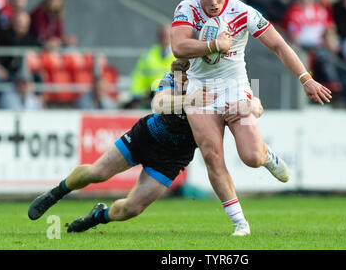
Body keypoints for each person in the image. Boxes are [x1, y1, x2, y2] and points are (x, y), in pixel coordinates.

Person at [170, 0, 331, 236]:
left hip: (234, 87)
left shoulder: (243, 12)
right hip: (200, 89)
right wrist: (213, 46)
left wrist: (306, 79)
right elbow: (178, 47)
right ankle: (239, 223)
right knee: (212, 155)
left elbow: (279, 45)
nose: (213, 3)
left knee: (251, 157)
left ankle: (265, 155)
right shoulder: (186, 8)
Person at [28, 60, 264, 235]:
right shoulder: (171, 79)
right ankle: (55, 193)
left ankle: (97, 216)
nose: (181, 77)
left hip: (172, 159)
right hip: (146, 137)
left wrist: (252, 106)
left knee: (131, 209)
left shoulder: (219, 86)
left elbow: (256, 106)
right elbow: (159, 104)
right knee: (97, 172)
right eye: (179, 74)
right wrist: (189, 100)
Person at [130, 25, 176, 108]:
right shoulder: (149, 55)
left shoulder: (179, 55)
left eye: (167, 35)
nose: (164, 38)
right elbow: (138, 77)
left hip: (171, 100)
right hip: (149, 99)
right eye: (162, 35)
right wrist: (137, 96)